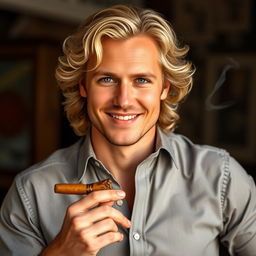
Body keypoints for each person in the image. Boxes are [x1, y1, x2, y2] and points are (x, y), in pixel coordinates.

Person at [0, 5, 256, 256]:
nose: (123, 100)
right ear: (83, 86)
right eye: (107, 79)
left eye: (141, 80)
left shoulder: (222, 177)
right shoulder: (30, 192)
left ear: (164, 88)